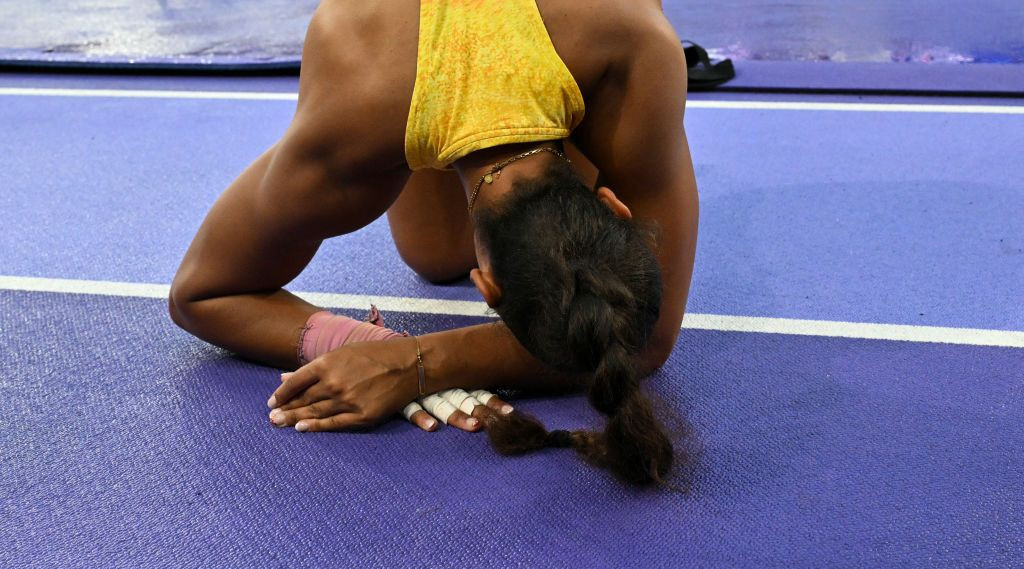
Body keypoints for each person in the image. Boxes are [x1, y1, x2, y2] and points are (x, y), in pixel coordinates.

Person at [169, 0, 699, 485]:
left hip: (435, 65)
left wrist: (416, 362)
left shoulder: (634, 39)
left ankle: (459, 121)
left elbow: (645, 338)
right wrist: (384, 354)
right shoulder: (350, 110)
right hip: (392, 71)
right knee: (438, 251)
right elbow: (201, 294)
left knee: (439, 253)